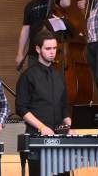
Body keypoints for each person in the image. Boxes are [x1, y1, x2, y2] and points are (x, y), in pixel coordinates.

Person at [15, 30, 72, 176]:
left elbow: (64, 106)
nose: (52, 52)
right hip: (37, 139)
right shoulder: (28, 76)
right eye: (48, 49)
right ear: (38, 49)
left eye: (54, 48)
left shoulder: (59, 75)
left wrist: (69, 126)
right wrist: (42, 127)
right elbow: (21, 108)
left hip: (60, 139)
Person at [15, 0, 71, 69]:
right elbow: (25, 29)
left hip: (52, 53)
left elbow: (67, 3)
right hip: (33, 52)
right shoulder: (29, 6)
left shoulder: (54, 0)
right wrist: (20, 53)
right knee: (34, 79)